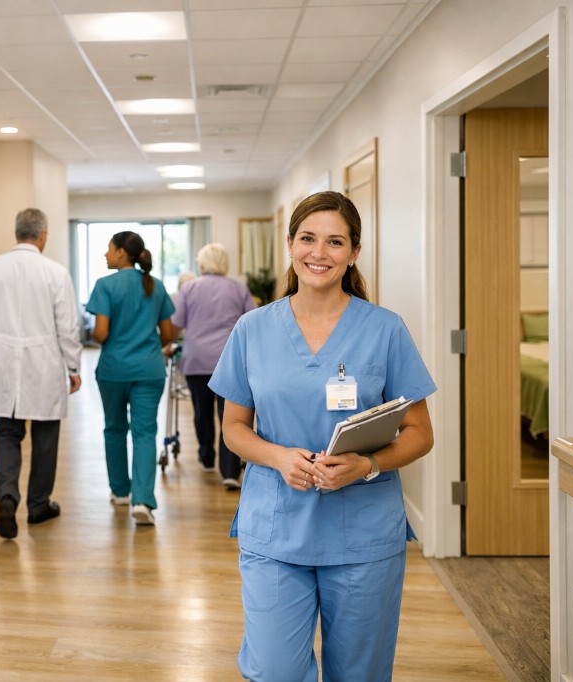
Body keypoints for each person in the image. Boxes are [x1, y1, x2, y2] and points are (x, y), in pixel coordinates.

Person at [208, 191, 436, 681]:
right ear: (289, 244)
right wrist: (276, 457)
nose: (319, 252)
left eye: (335, 242)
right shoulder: (252, 329)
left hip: (363, 533)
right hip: (276, 527)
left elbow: (419, 433)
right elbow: (232, 429)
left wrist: (367, 464)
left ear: (354, 252)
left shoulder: (385, 330)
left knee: (359, 672)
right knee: (275, 670)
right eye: (308, 238)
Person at [0, 208, 82, 540]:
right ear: (43, 235)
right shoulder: (55, 273)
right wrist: (73, 367)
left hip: (1, 364)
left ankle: (6, 497)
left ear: (17, 232)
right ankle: (38, 505)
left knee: (6, 434)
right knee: (45, 439)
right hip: (43, 365)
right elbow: (67, 327)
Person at [86, 231, 176, 526]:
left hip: (114, 370)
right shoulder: (157, 286)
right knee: (144, 432)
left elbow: (100, 333)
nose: (105, 254)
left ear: (122, 253)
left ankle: (121, 492)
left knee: (114, 429)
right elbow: (168, 334)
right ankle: (142, 501)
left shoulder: (105, 286)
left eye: (109, 249)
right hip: (149, 370)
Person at [168, 243, 256, 489]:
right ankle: (229, 471)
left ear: (202, 263)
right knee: (230, 416)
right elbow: (254, 321)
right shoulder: (238, 288)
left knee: (201, 411)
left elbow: (177, 323)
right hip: (229, 359)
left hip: (196, 359)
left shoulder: (189, 288)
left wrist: (169, 342)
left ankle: (206, 457)